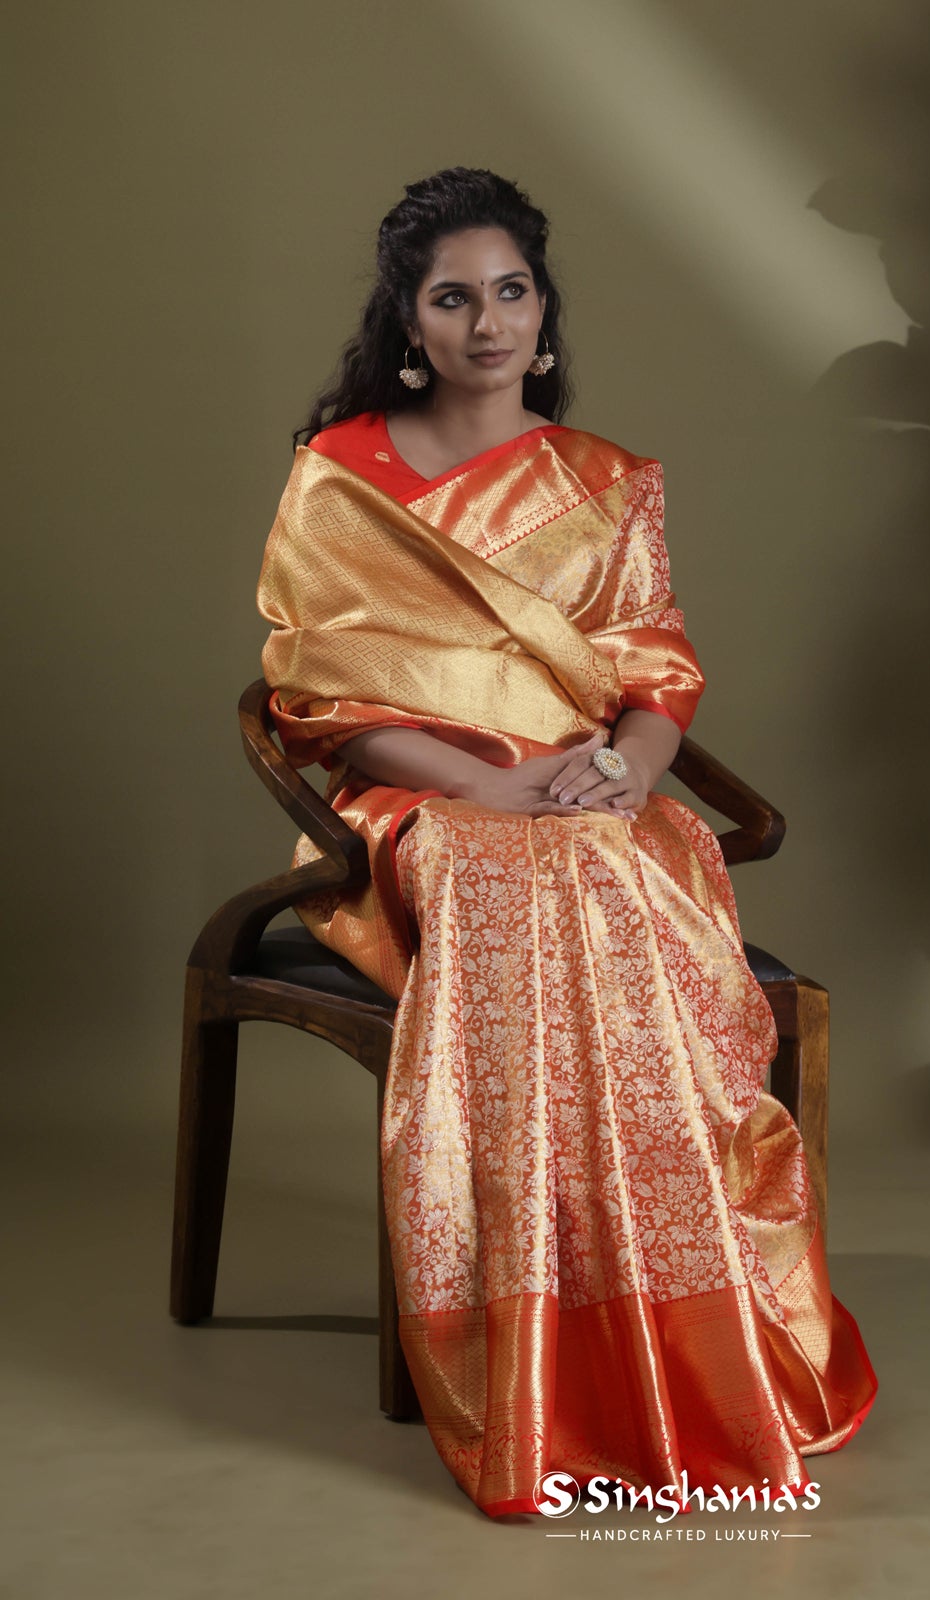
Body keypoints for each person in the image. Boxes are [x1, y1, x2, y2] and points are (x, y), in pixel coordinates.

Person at [256, 166, 877, 1520]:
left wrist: (613, 770)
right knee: (521, 889)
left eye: (512, 290)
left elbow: (655, 674)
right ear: (408, 321)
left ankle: (683, 1338)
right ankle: (532, 1351)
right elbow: (322, 703)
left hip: (587, 797)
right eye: (452, 297)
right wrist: (488, 791)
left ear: (543, 311)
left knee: (608, 868)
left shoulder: (603, 483)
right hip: (420, 809)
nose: (488, 321)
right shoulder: (339, 475)